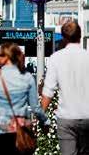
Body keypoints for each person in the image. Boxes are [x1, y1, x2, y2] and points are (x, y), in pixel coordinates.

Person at [0, 42, 47, 155]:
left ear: (7, 57)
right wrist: (45, 121)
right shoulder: (27, 77)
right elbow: (35, 107)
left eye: (0, 55)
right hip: (20, 127)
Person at [42, 21, 89, 155]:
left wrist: (41, 116)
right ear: (80, 36)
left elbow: (48, 91)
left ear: (63, 37)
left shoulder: (56, 58)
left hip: (66, 117)